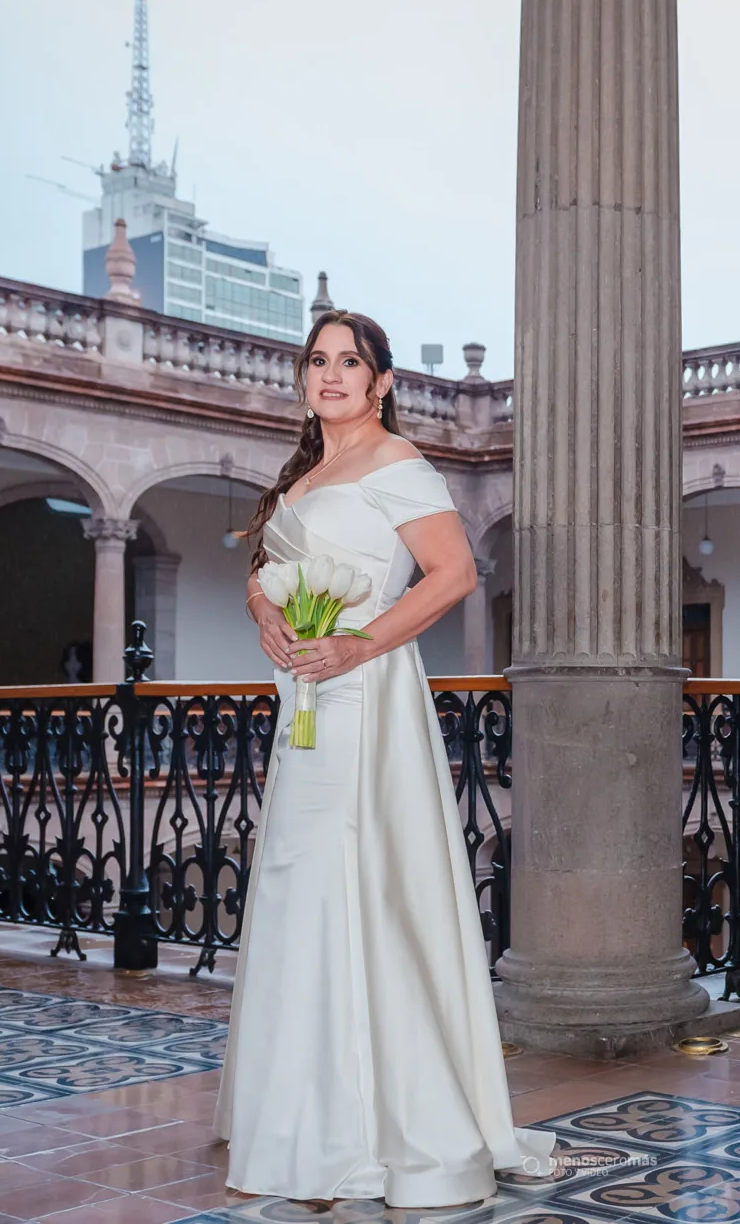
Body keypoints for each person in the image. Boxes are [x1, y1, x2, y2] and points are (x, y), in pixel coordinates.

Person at [214, 309, 556, 1205]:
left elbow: (453, 575)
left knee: (361, 885)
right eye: (318, 360)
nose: (331, 375)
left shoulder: (400, 464)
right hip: (306, 704)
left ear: (382, 382)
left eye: (350, 362)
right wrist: (266, 613)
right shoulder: (309, 471)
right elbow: (264, 571)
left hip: (364, 698)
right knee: (302, 887)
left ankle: (375, 1125)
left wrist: (358, 645)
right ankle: (304, 1116)